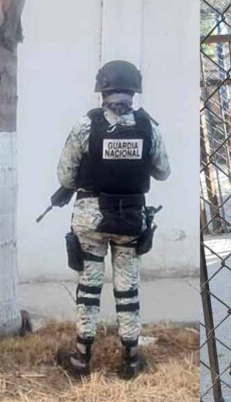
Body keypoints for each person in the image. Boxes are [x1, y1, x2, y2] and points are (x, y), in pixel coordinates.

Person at [55, 60, 171, 380]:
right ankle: (131, 358)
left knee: (89, 286)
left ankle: (82, 356)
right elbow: (163, 171)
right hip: (131, 217)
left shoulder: (85, 125)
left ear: (101, 91)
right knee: (127, 287)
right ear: (135, 91)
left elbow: (65, 174)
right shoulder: (149, 127)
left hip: (91, 216)